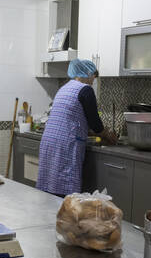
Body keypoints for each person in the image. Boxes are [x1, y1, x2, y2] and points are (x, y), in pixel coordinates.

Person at [37, 59, 118, 197]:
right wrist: (108, 135)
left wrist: (96, 133)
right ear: (87, 73)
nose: (93, 81)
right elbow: (95, 124)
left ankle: (51, 217)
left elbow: (74, 119)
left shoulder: (64, 88)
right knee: (65, 193)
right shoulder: (85, 90)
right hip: (65, 145)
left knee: (49, 191)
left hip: (49, 143)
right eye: (93, 77)